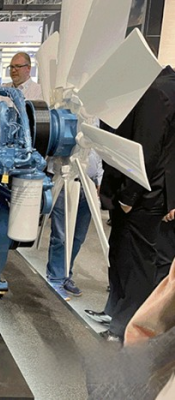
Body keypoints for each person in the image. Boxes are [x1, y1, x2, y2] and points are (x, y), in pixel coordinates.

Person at [86, 66, 175, 342]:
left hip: (143, 195)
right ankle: (115, 311)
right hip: (136, 191)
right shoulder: (155, 87)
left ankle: (125, 325)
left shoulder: (156, 91)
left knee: (136, 262)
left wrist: (128, 197)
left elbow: (147, 150)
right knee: (121, 254)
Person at [46, 151, 103, 300]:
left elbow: (99, 155)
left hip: (88, 185)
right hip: (65, 182)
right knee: (61, 237)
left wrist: (99, 180)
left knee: (78, 237)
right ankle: (55, 278)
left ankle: (65, 275)